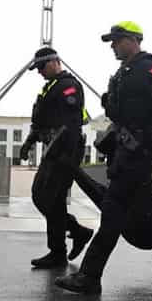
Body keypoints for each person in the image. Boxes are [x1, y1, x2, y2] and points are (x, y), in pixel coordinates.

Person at [55, 21, 152, 294]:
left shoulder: (151, 67)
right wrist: (109, 103)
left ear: (133, 40)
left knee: (113, 211)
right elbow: (120, 113)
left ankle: (89, 275)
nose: (112, 45)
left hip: (139, 151)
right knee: (151, 213)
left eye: (117, 40)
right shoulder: (122, 73)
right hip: (126, 150)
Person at [20, 47, 93, 269]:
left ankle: (59, 249)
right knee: (43, 197)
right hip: (53, 149)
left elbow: (71, 125)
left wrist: (66, 156)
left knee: (48, 198)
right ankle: (75, 233)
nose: (39, 71)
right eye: (37, 68)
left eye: (42, 66)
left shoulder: (69, 86)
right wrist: (29, 142)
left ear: (54, 62)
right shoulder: (50, 87)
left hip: (64, 150)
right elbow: (42, 121)